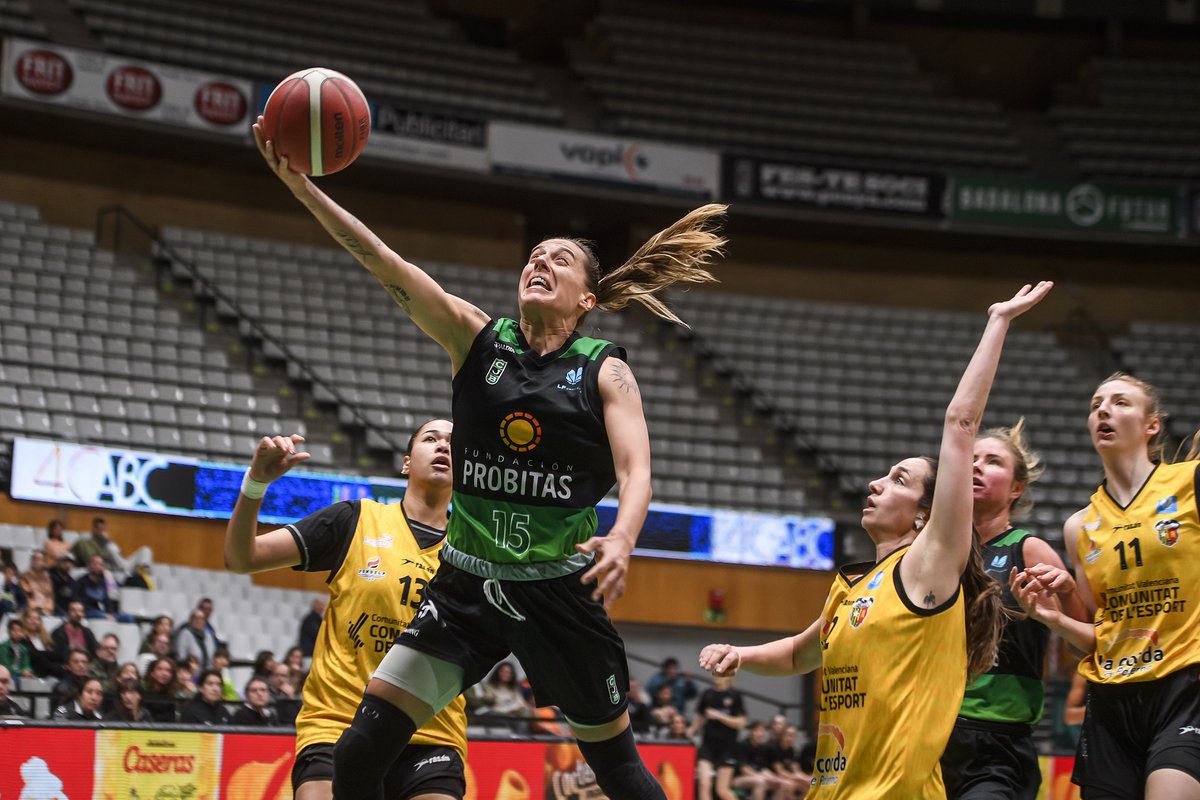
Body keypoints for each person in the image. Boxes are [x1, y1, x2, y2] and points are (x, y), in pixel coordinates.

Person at [256, 114, 726, 800]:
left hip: (557, 588)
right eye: (535, 254)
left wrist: (623, 538)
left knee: (618, 769)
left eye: (559, 259)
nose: (540, 261)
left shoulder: (604, 371)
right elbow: (384, 262)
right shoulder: (476, 339)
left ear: (588, 299)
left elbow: (636, 471)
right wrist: (304, 191)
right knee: (359, 750)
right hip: (467, 583)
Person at [699, 283, 1052, 798]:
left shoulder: (927, 569)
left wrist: (998, 320)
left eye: (898, 480)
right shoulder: (851, 586)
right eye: (884, 476)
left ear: (926, 516)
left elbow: (960, 424)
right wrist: (742, 654)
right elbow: (802, 652)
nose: (876, 484)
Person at [223, 421, 467, 800]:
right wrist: (255, 483)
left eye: (454, 442)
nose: (443, 447)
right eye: (431, 439)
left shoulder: (473, 553)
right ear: (406, 462)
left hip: (430, 732)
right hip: (338, 722)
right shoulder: (354, 520)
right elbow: (242, 558)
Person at [1010, 372, 1200, 800]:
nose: (1103, 411)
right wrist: (1053, 616)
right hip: (1111, 702)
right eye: (1096, 404)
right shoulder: (1081, 525)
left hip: (1185, 688)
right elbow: (1093, 641)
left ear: (1152, 425)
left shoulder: (1190, 484)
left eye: (1120, 402)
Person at [941, 419, 1088, 800]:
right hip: (931, 729)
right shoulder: (936, 552)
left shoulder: (1028, 549)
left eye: (992, 461)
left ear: (1016, 488)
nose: (976, 466)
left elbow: (1082, 643)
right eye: (972, 459)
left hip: (996, 739)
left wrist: (1067, 595)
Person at [691, 673, 747, 800]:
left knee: (721, 790)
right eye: (715, 672)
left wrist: (719, 715)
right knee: (704, 783)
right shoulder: (707, 694)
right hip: (708, 745)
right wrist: (690, 732)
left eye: (721, 672)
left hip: (727, 747)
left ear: (728, 675)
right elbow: (700, 717)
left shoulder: (735, 695)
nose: (717, 675)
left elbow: (740, 723)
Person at [141, 656, 180, 722]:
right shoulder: (143, 694)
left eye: (168, 671)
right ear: (152, 673)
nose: (164, 673)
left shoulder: (173, 697)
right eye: (160, 669)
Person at [19, 549, 55, 614]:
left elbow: (49, 597)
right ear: (32, 561)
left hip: (46, 612)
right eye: (35, 559)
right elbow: (25, 596)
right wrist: (34, 608)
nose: (37, 562)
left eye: (40, 559)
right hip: (30, 611)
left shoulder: (47, 579)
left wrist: (48, 609)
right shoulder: (25, 577)